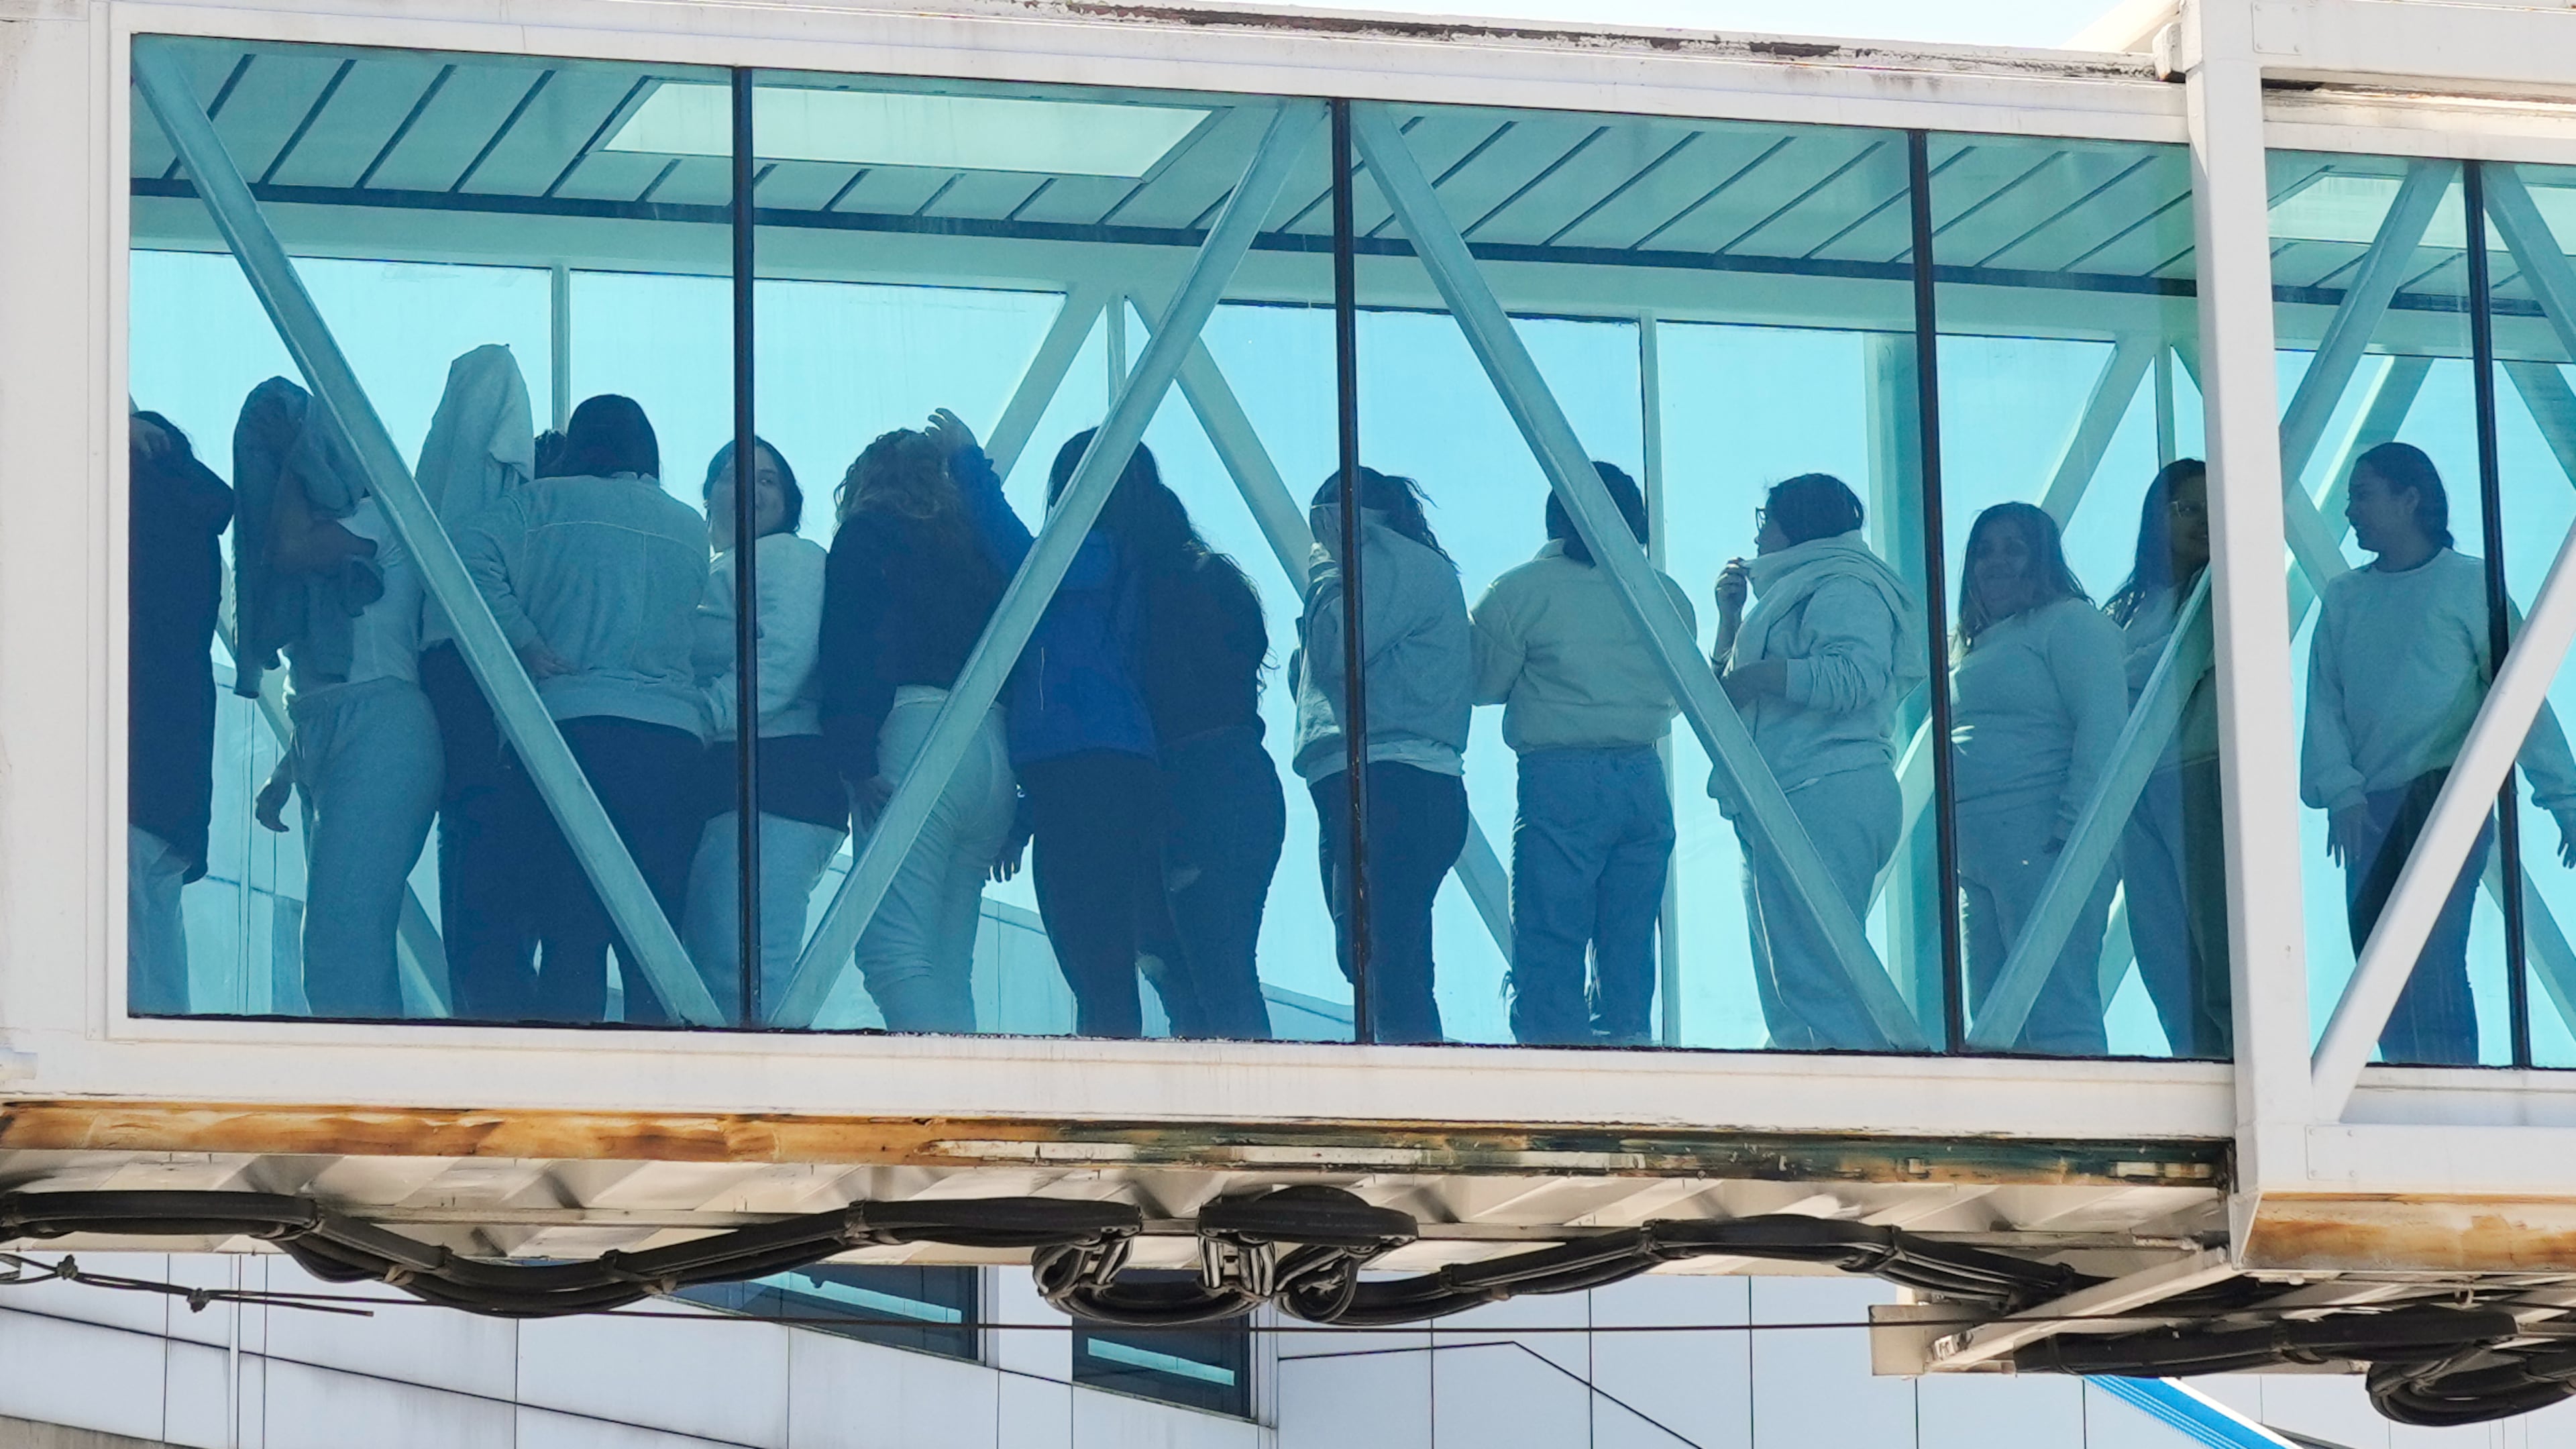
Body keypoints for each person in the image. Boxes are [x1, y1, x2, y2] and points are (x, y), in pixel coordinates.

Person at [2303, 441, 2576, 1065]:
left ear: (2410, 499)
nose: (2350, 511)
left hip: (2444, 792)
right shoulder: (2344, 598)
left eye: (2363, 495)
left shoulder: (2468, 584)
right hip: (2369, 806)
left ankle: (2452, 1086)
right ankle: (2412, 1084)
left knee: (2433, 960)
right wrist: (2341, 792)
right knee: (2375, 968)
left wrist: (2566, 799)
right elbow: (2325, 702)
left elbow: (2520, 702)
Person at [455, 394, 708, 1024]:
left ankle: (574, 1069)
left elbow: (464, 554)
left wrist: (524, 640)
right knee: (656, 942)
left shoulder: (542, 503)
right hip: (671, 742)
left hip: (569, 730)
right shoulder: (689, 526)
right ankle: (660, 1071)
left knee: (571, 931)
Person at [235, 378, 441, 1020]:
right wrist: (288, 769)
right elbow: (319, 673)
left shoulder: (382, 517)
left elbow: (291, 548)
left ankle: (375, 1075)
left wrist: (294, 460)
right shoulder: (325, 546)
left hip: (383, 726)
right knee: (332, 946)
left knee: (341, 943)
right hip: (325, 732)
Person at [1472, 463, 1693, 1046]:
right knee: (1629, 939)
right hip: (1644, 775)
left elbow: (1481, 683)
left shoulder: (1520, 591)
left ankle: (1552, 1062)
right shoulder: (1665, 596)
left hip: (1560, 775)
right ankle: (1628, 1048)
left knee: (1550, 935)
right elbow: (1679, 692)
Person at [1710, 474, 1925, 1051]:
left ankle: (1844, 1081)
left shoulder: (1843, 584)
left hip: (1825, 784)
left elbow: (1856, 675)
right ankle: (1811, 1077)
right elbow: (1726, 697)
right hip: (1789, 792)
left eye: (1767, 520)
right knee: (1792, 977)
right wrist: (1730, 620)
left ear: (1795, 523)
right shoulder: (1798, 590)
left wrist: (1758, 677)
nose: (1759, 535)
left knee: (1816, 976)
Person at [814, 421, 1014, 1033]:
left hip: (916, 736)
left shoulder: (870, 534)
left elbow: (855, 648)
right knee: (949, 967)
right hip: (994, 748)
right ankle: (972, 1083)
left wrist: (854, 756)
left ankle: (947, 1087)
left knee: (891, 952)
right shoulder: (979, 552)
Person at [1291, 468, 1472, 1045]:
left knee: (1380, 960)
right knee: (1389, 959)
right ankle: (1419, 1071)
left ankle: (1416, 1078)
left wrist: (1325, 572)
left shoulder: (1383, 562)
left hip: (1388, 780)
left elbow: (1338, 648)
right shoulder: (1405, 567)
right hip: (1390, 780)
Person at [1948, 502, 2128, 1057]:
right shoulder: (1973, 646)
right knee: (1993, 1026)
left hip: (2046, 844)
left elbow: (2103, 725)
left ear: (2043, 558)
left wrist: (2073, 833)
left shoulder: (2070, 623)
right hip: (1980, 862)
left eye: (2014, 548)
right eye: (1984, 551)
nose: (1996, 562)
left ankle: (2085, 1113)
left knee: (2059, 1013)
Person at [1122, 434, 1283, 1042]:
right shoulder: (1211, 577)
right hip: (1236, 772)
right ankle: (1246, 1089)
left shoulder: (1151, 589)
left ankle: (1237, 1090)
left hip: (1197, 779)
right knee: (1219, 972)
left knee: (1198, 976)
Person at [682, 438, 844, 1023]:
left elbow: (783, 656)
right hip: (730, 781)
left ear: (790, 502)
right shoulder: (715, 571)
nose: (749, 488)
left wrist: (705, 716)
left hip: (777, 776)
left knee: (745, 970)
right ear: (708, 497)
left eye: (767, 480)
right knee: (715, 968)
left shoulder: (789, 558)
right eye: (732, 476)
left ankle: (770, 1078)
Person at [413, 345, 540, 1023]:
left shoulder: (432, 483)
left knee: (469, 831)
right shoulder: (511, 493)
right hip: (480, 666)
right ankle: (496, 997)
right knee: (487, 829)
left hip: (443, 659)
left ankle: (483, 998)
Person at [2106, 460, 2231, 1059]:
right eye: (2187, 509)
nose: (2202, 522)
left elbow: (2171, 667)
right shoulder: (2129, 606)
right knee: (2163, 955)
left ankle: (2236, 1063)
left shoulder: (2224, 591)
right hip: (2134, 788)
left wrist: (2105, 676)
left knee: (2220, 945)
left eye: (2211, 509)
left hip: (2199, 774)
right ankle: (2193, 1064)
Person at [127, 409, 233, 1015]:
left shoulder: (136, 514)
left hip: (131, 753)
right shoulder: (196, 526)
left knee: (117, 953)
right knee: (156, 940)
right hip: (180, 764)